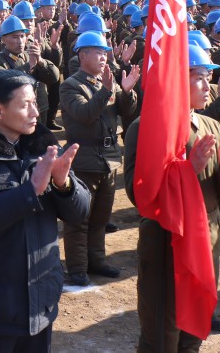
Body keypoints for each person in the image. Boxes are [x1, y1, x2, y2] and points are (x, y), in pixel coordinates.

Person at [0, 69, 90, 352]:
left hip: (40, 301)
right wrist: (29, 191)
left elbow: (79, 212)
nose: (36, 111)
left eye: (35, 102)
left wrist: (63, 184)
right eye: (25, 105)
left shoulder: (43, 147)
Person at [123, 43, 220, 352]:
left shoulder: (208, 124)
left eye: (208, 76)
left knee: (193, 332)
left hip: (206, 239)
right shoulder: (147, 128)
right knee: (161, 334)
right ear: (177, 80)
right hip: (167, 242)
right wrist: (187, 171)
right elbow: (139, 193)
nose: (208, 85)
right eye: (198, 77)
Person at [59, 30, 139, 285]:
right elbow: (84, 114)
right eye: (98, 52)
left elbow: (126, 112)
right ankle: (77, 267)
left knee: (101, 217)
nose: (104, 57)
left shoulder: (108, 82)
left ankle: (97, 260)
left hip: (108, 158)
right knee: (80, 219)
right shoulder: (71, 85)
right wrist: (107, 90)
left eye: (105, 52)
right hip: (84, 159)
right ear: (83, 55)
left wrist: (126, 92)